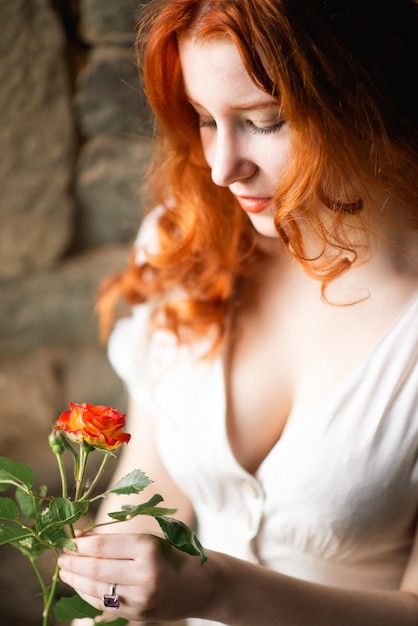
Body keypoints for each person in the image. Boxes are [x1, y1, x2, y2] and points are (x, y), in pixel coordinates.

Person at [58, 0, 418, 624]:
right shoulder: (186, 240)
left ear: (365, 98)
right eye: (203, 119)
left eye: (265, 121)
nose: (224, 168)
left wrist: (217, 590)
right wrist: (111, 597)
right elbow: (147, 492)